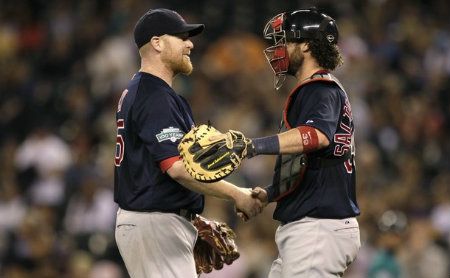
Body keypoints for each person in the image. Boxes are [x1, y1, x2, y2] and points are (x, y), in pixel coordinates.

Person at [113, 8, 263, 278]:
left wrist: (190, 218)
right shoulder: (154, 95)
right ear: (157, 43)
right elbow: (177, 168)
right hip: (154, 223)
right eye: (181, 37)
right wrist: (237, 194)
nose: (190, 43)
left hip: (155, 221)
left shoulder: (146, 90)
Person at [240, 7, 361, 277]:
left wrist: (252, 146)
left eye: (286, 41)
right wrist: (271, 193)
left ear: (306, 45)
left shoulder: (319, 88)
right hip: (313, 228)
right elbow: (308, 165)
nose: (279, 49)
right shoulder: (321, 88)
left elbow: (316, 137)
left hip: (317, 229)